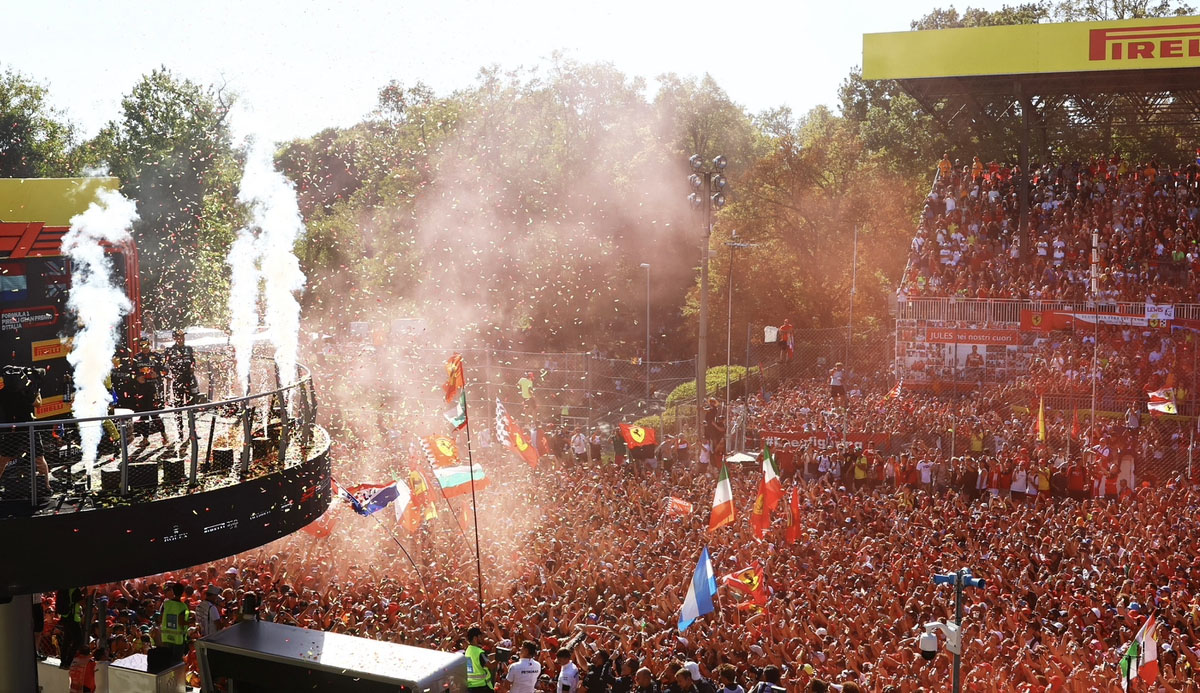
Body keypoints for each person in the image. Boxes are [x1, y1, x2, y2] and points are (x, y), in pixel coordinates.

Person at [0, 365, 52, 497]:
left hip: (12, 429)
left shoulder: (4, 392)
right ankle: (47, 486)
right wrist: (37, 389)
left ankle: (46, 486)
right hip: (28, 427)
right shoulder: (26, 390)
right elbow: (38, 403)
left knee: (3, 459)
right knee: (39, 459)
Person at [163, 329, 199, 440]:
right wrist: (167, 374)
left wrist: (193, 366)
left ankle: (192, 432)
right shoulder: (169, 350)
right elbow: (165, 366)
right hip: (177, 382)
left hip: (189, 380)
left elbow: (193, 361)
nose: (181, 339)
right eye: (178, 337)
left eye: (182, 337)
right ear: (174, 338)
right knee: (177, 407)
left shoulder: (189, 349)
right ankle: (180, 433)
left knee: (191, 407)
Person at [158, 583, 190, 663]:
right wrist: (191, 621)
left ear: (173, 591)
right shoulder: (182, 606)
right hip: (178, 640)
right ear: (182, 592)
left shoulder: (166, 604)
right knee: (176, 662)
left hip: (166, 637)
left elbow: (160, 618)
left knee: (167, 660)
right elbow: (181, 622)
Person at [465, 626, 496, 692]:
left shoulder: (467, 650)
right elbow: (491, 666)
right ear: (475, 638)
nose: (482, 639)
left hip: (471, 687)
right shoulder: (479, 652)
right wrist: (499, 659)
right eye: (480, 637)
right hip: (482, 687)